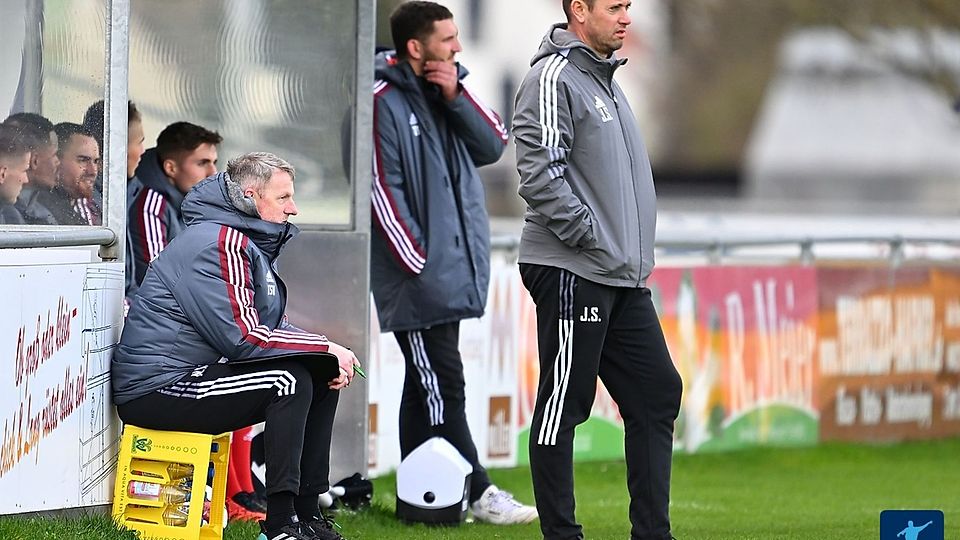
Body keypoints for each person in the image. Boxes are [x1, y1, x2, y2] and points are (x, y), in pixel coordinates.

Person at [113, 152, 359, 540]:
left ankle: (307, 515)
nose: (293, 209)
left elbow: (268, 327)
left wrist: (323, 353)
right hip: (157, 387)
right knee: (288, 381)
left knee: (318, 370)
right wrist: (326, 345)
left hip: (191, 376)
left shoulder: (243, 239)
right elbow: (245, 338)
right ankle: (280, 525)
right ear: (249, 197)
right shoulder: (218, 241)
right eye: (283, 198)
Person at [512, 1, 683, 539]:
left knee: (657, 392)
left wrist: (618, 251)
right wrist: (590, 235)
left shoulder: (607, 82)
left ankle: (653, 534)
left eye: (629, 6)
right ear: (580, 10)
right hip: (572, 267)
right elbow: (539, 173)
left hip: (620, 276)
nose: (627, 16)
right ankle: (562, 535)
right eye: (615, 6)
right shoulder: (552, 75)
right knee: (565, 404)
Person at [370, 0, 536, 525]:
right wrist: (419, 262)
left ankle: (425, 502)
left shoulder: (448, 91)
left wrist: (456, 93)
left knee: (426, 388)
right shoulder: (381, 101)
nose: (458, 47)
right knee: (444, 387)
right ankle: (480, 491)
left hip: (447, 274)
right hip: (417, 278)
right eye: (447, 39)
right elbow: (381, 191)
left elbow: (494, 143)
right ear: (415, 47)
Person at [129, 121, 221, 285]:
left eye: (214, 162)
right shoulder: (150, 203)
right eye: (202, 163)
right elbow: (157, 280)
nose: (213, 173)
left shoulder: (194, 202)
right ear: (171, 168)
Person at [39, 122, 101, 225]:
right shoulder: (39, 210)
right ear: (56, 160)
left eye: (95, 161)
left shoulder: (97, 204)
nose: (93, 171)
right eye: (83, 160)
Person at [3, 112, 59, 225]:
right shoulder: (9, 217)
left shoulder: (43, 212)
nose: (58, 162)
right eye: (54, 155)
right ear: (34, 160)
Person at [0, 123, 32, 224]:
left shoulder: (10, 216)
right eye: (24, 171)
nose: (26, 180)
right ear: (2, 174)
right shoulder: (11, 220)